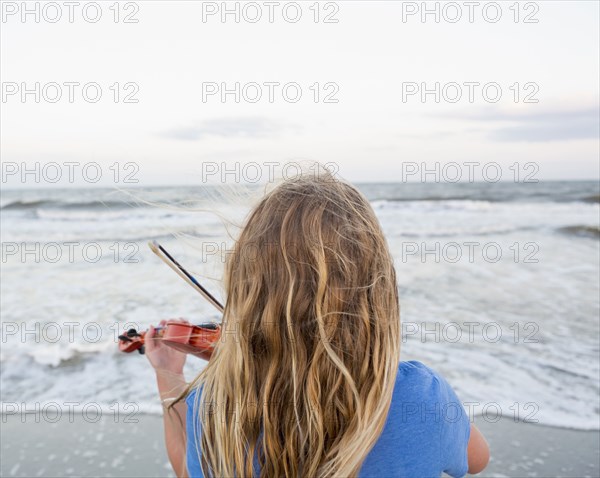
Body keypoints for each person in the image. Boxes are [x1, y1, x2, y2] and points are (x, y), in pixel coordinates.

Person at [145, 170, 490, 477]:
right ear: (377, 289)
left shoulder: (213, 404)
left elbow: (189, 470)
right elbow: (476, 461)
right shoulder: (420, 395)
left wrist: (168, 374)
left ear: (246, 287)